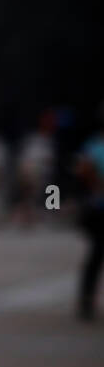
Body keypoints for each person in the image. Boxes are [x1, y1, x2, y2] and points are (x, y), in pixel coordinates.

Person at [73, 104, 104, 321]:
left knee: (95, 255)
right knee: (96, 255)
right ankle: (85, 300)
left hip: (96, 207)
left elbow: (81, 171)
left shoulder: (92, 145)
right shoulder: (94, 146)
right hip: (98, 208)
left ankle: (86, 300)